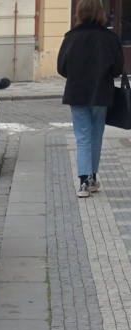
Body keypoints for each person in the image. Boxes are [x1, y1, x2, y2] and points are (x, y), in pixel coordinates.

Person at [57, 0, 126, 197]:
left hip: (77, 92)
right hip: (101, 93)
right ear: (100, 13)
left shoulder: (71, 37)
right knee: (96, 136)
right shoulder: (109, 37)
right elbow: (117, 68)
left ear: (79, 13)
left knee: (83, 137)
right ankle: (92, 178)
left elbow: (61, 68)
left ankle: (84, 182)